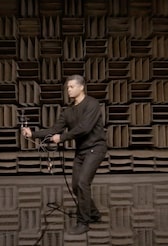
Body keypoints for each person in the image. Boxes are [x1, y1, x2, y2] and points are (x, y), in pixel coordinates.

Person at [21, 74, 107, 235]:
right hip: (81, 151)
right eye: (67, 87)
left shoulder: (92, 104)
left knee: (82, 183)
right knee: (76, 186)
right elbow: (54, 130)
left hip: (96, 148)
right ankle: (94, 214)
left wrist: (62, 138)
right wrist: (32, 134)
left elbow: (85, 128)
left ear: (81, 87)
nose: (68, 90)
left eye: (72, 87)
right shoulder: (68, 112)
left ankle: (83, 222)